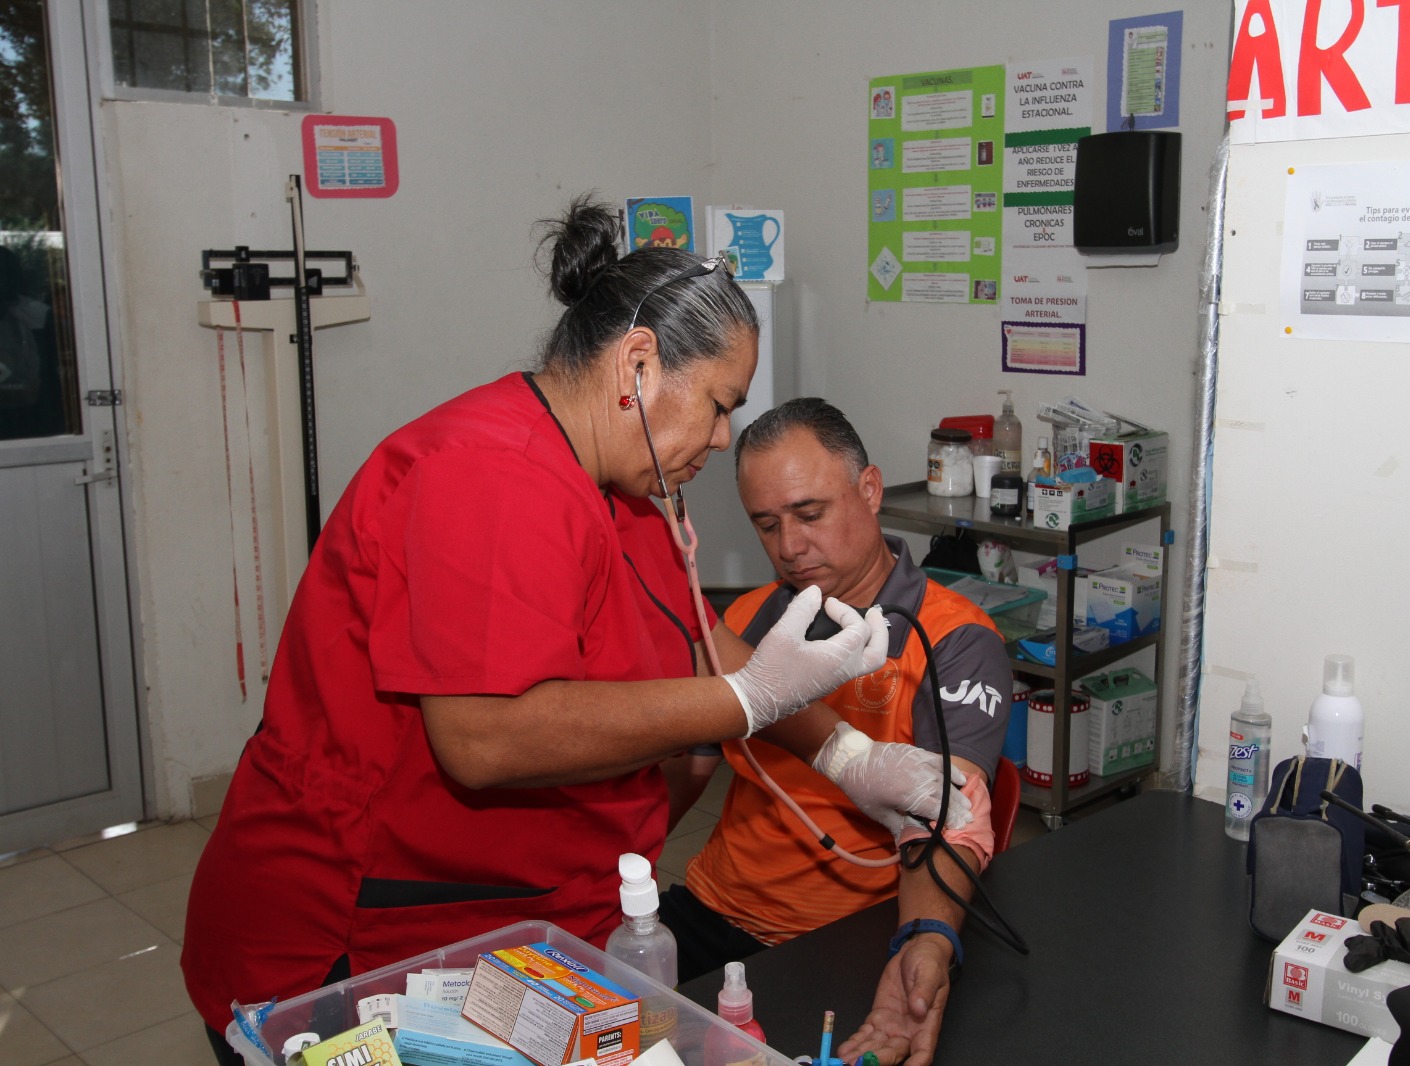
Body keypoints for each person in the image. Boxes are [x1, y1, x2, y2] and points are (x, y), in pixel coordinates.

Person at [182, 200, 964, 1063]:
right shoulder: (489, 476)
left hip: (530, 922)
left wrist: (851, 759)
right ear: (637, 363)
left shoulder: (619, 490)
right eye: (716, 404)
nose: (719, 436)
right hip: (365, 935)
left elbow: (706, 645)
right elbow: (482, 737)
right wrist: (742, 703)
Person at [659, 398, 1013, 1066]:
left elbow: (949, 818)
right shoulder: (751, 618)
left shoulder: (954, 640)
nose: (789, 547)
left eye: (810, 514)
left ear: (870, 491)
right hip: (711, 907)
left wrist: (928, 937)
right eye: (767, 525)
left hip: (843, 934)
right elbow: (690, 768)